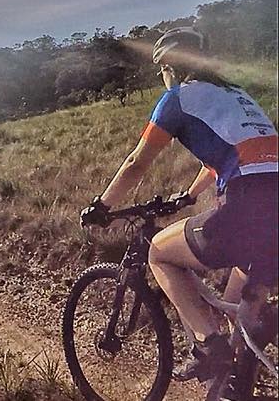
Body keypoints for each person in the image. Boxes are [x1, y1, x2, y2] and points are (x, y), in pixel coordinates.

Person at [80, 27, 278, 382]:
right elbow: (221, 159)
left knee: (158, 252)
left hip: (249, 205)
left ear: (169, 65)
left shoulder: (177, 99)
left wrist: (102, 206)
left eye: (163, 70)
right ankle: (237, 378)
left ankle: (207, 345)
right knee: (239, 313)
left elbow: (136, 163)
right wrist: (187, 196)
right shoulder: (236, 95)